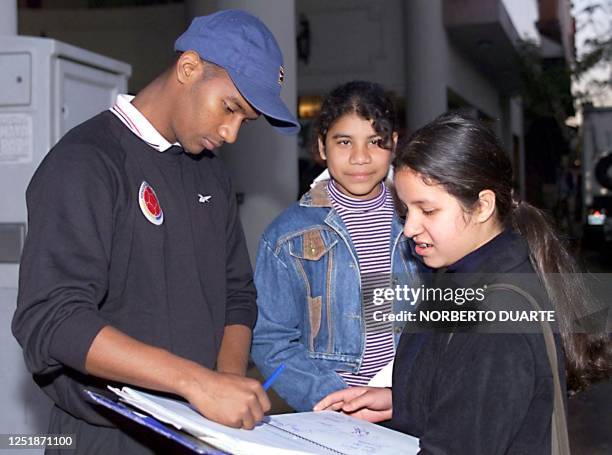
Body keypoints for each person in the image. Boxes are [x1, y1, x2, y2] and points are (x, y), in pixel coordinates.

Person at [12, 9, 299, 454]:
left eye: (246, 120)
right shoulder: (86, 163)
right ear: (189, 68)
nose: (231, 132)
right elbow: (54, 318)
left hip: (196, 432)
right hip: (108, 436)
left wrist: (224, 380)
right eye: (230, 108)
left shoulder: (211, 176)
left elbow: (237, 294)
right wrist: (195, 382)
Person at [315, 113, 612, 453]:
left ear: (483, 206)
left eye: (427, 211)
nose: (409, 229)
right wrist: (401, 401)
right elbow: (464, 392)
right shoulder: (460, 278)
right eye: (405, 211)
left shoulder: (496, 318)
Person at [251, 81, 421, 412]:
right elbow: (271, 340)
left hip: (411, 403)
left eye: (375, 142)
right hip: (333, 414)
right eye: (344, 142)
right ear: (322, 146)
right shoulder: (287, 235)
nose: (360, 157)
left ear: (394, 144)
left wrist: (415, 391)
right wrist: (335, 399)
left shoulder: (420, 219)